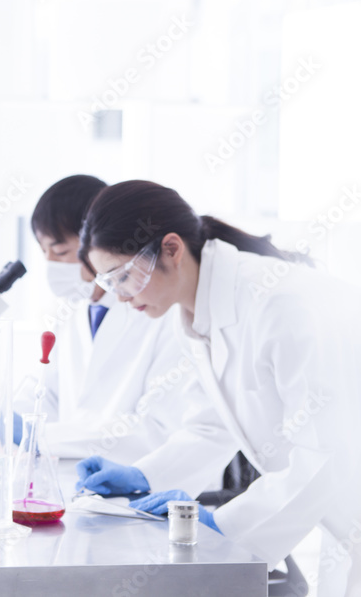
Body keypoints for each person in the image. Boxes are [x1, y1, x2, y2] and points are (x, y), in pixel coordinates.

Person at [75, 180, 361, 596]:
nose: (119, 297)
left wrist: (225, 524)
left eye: (123, 276)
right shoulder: (198, 312)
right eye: (108, 282)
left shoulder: (278, 302)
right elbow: (213, 423)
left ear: (171, 249)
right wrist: (145, 473)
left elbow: (326, 453)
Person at [17, 175, 230, 467]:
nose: (52, 265)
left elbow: (161, 427)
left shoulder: (161, 304)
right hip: (72, 470)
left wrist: (41, 436)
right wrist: (8, 422)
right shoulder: (69, 312)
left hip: (142, 479)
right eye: (45, 253)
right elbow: (45, 392)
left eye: (62, 251)